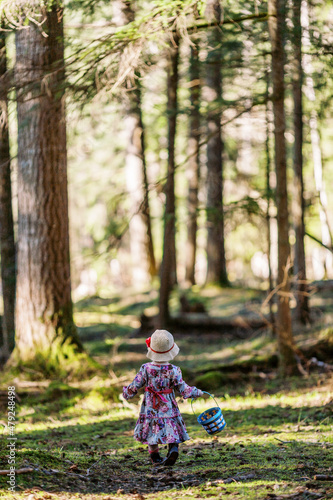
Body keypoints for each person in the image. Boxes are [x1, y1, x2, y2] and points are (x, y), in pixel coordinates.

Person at [122, 329, 208, 466]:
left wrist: (127, 393)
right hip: (168, 405)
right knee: (171, 425)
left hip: (150, 406)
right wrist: (197, 392)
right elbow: (183, 389)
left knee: (152, 430)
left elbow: (135, 384)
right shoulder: (174, 370)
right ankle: (173, 448)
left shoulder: (146, 368)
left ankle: (155, 457)